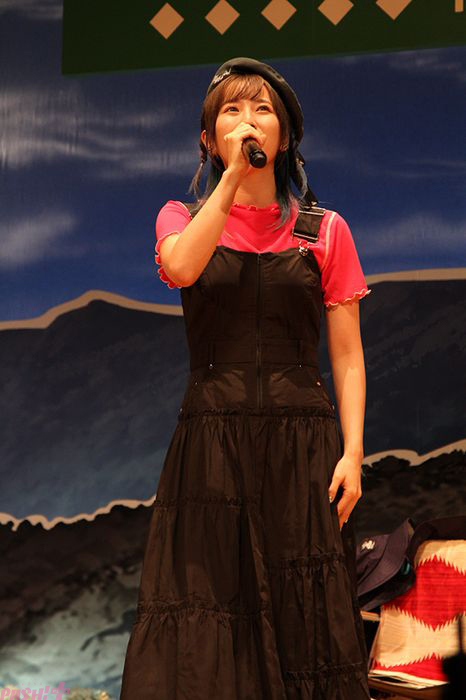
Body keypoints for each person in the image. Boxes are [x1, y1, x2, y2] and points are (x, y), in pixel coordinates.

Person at [120, 57, 373, 699]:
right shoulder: (179, 216)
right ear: (209, 139)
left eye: (262, 110)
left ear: (284, 136)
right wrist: (231, 180)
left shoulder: (324, 230)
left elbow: (347, 355)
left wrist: (352, 453)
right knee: (209, 614)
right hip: (212, 443)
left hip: (302, 444)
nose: (248, 121)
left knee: (304, 618)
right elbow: (181, 268)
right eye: (231, 111)